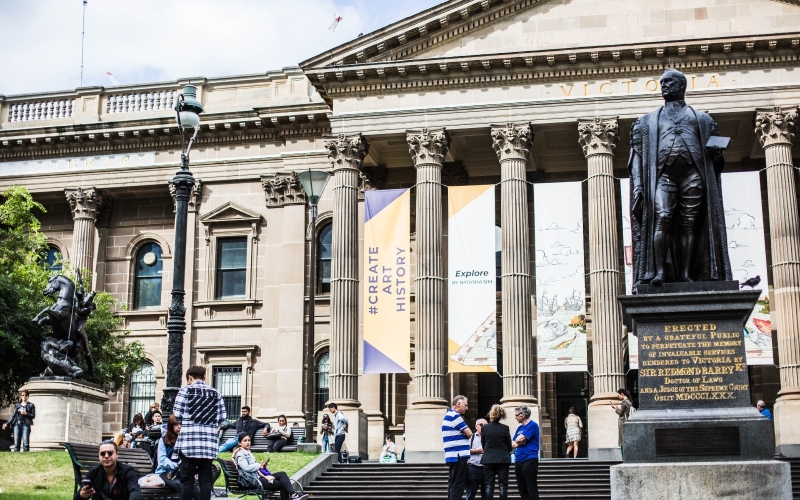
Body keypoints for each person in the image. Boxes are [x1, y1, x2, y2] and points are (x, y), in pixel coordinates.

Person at [628, 68, 730, 290]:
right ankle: (658, 271)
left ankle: (685, 274)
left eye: (669, 82)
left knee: (690, 225)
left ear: (681, 86)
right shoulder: (646, 122)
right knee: (662, 217)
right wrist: (638, 186)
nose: (664, 86)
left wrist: (716, 153)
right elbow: (636, 157)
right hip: (664, 176)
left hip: (693, 175)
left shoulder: (702, 119)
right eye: (662, 83)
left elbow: (716, 160)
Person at [173, 365, 227, 500]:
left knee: (187, 481)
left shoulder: (184, 391)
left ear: (189, 377)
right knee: (205, 480)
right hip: (208, 445)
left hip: (188, 444)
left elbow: (177, 414)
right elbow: (222, 417)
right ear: (204, 377)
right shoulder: (216, 393)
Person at [232, 433, 309, 500]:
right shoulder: (240, 454)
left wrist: (263, 469)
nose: (248, 442)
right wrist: (259, 466)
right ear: (239, 443)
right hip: (252, 481)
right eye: (245, 441)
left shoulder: (248, 452)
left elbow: (254, 468)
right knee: (283, 484)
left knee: (282, 474)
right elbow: (246, 468)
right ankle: (294, 495)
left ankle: (294, 495)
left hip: (257, 478)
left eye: (249, 440)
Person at [75, 441, 141, 500]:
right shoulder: (93, 473)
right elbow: (77, 497)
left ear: (117, 455)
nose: (106, 456)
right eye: (102, 454)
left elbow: (134, 490)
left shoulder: (128, 471)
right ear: (99, 456)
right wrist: (81, 495)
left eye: (110, 453)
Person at [443, 395, 472, 500]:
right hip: (458, 455)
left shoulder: (449, 415)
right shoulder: (455, 415)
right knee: (458, 484)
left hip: (453, 455)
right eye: (466, 405)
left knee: (453, 482)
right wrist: (465, 434)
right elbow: (469, 433)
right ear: (458, 404)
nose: (467, 408)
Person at [481, 406, 512, 500]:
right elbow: (509, 446)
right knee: (503, 486)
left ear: (491, 414)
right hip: (503, 459)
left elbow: (483, 444)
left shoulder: (485, 428)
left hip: (488, 459)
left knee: (489, 485)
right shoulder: (505, 428)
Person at [512, 405, 539, 500]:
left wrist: (519, 441)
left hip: (529, 459)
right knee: (522, 488)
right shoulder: (519, 428)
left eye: (516, 415)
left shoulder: (532, 425)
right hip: (519, 459)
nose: (515, 417)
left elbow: (519, 439)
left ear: (522, 415)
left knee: (531, 487)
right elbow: (513, 443)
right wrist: (519, 441)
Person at [156, 415, 182, 494]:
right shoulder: (163, 440)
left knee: (193, 487)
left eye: (181, 424)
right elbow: (162, 460)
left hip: (181, 472)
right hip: (165, 472)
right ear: (171, 426)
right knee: (179, 485)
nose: (179, 427)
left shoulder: (185, 440)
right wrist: (176, 466)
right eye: (176, 424)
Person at [466, 418, 487, 500]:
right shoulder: (471, 437)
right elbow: (465, 450)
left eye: (485, 425)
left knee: (486, 494)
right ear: (476, 426)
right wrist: (477, 451)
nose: (483, 427)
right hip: (473, 468)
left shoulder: (489, 437)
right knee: (471, 493)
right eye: (481, 425)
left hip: (487, 468)